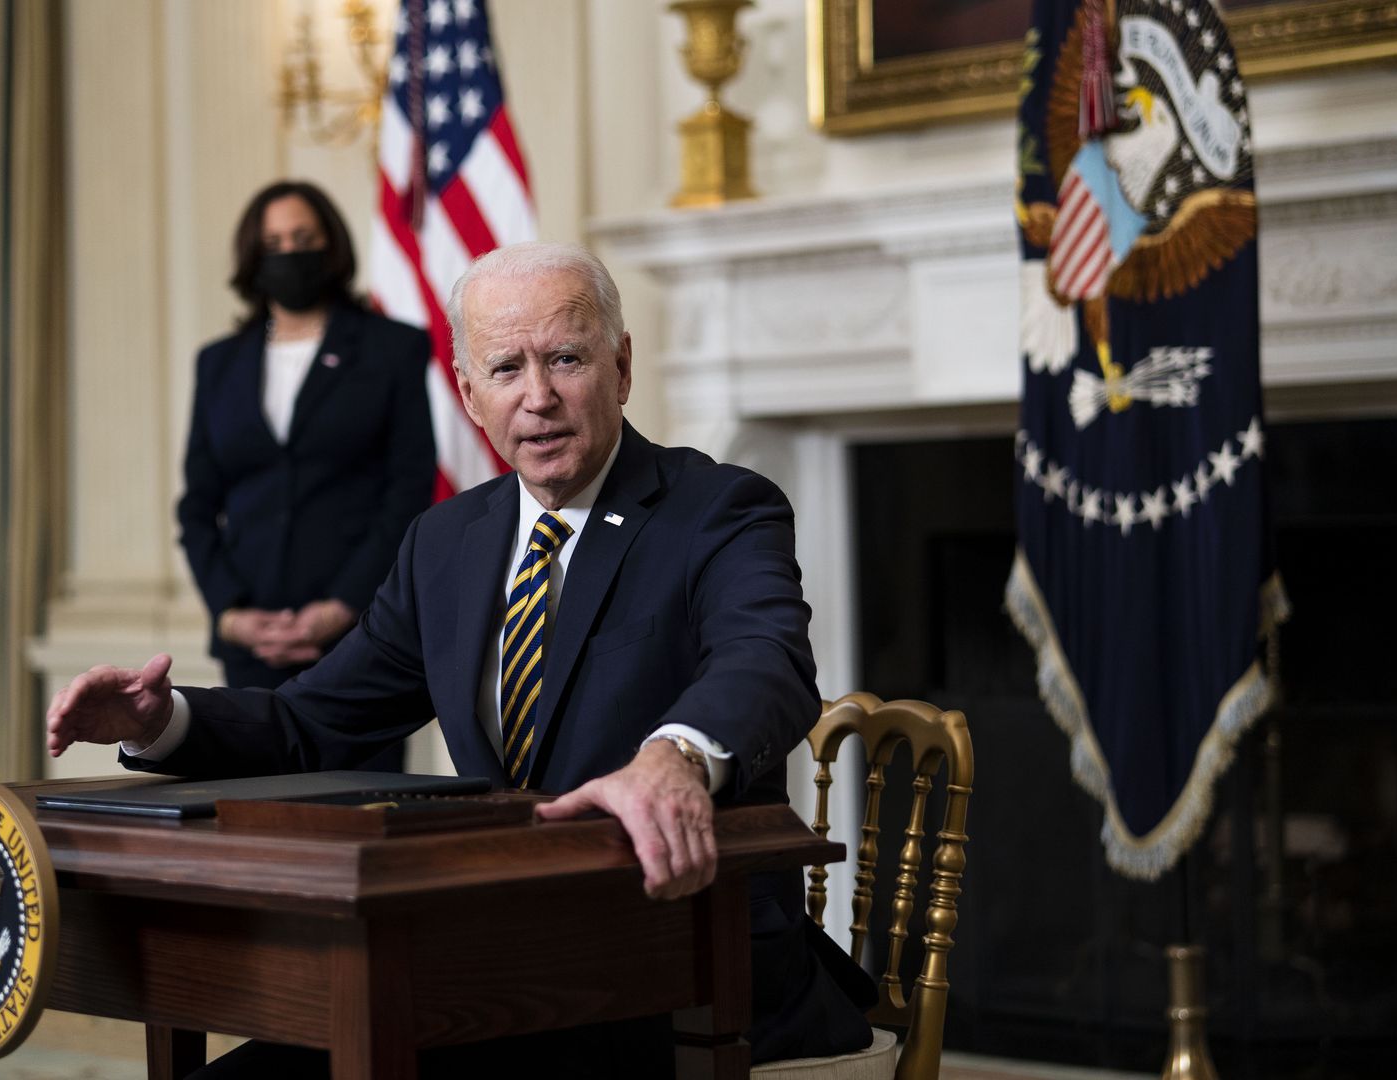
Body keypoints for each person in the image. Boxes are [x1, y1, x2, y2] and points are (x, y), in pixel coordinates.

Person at [48, 242, 873, 1077]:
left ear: (621, 367)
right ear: (469, 392)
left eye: (566, 359)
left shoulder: (718, 508)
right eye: (507, 368)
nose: (539, 397)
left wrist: (677, 756)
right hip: (500, 963)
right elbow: (311, 722)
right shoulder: (446, 543)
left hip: (692, 966)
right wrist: (164, 721)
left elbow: (765, 660)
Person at [176, 180, 434, 771]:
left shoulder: (391, 348)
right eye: (273, 243)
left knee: (358, 818)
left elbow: (407, 493)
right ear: (252, 257)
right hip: (251, 643)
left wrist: (343, 607)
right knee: (252, 822)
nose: (288, 253)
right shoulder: (219, 363)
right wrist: (232, 613)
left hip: (358, 636)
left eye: (303, 239)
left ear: (331, 247)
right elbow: (198, 507)